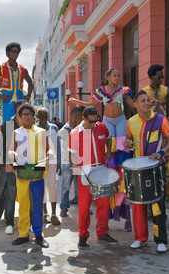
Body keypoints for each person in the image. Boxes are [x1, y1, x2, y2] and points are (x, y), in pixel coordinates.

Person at [69, 68, 134, 230]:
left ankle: (120, 165)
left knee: (122, 150)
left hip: (120, 120)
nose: (118, 77)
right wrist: (77, 102)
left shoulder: (123, 90)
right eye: (114, 75)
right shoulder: (102, 91)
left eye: (119, 75)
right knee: (109, 146)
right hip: (107, 121)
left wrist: (149, 109)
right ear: (108, 77)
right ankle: (110, 161)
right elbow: (92, 105)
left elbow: (132, 106)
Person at [123, 90, 169, 253]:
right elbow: (129, 140)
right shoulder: (131, 121)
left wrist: (161, 152)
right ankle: (140, 238)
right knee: (138, 205)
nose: (147, 103)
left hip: (155, 167)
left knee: (157, 205)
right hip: (137, 167)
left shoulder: (160, 120)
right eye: (143, 100)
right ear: (136, 104)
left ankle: (160, 239)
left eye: (148, 100)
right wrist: (127, 144)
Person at [69, 106, 118, 249]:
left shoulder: (101, 127)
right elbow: (72, 155)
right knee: (84, 206)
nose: (93, 124)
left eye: (95, 120)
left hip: (101, 169)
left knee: (103, 205)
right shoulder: (74, 133)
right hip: (85, 172)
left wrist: (109, 151)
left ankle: (102, 232)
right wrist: (76, 166)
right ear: (83, 119)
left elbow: (108, 138)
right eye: (91, 121)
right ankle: (83, 235)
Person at [9, 103, 53, 248]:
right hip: (22, 171)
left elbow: (48, 149)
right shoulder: (16, 133)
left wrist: (49, 155)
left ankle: (39, 235)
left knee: (38, 204)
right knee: (23, 204)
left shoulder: (41, 132)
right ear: (20, 118)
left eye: (29, 114)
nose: (27, 117)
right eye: (24, 115)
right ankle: (23, 234)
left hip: (37, 171)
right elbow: (11, 150)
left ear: (34, 116)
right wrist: (12, 154)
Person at [142, 64, 169, 219]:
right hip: (151, 128)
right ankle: (151, 205)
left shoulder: (165, 90)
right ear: (151, 77)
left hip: (164, 126)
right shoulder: (144, 91)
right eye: (159, 76)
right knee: (151, 166)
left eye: (162, 76)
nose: (161, 78)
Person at [0, 42, 34, 124]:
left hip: (20, 101)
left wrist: (28, 95)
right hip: (7, 100)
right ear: (7, 53)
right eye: (13, 51)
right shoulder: (1, 67)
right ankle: (9, 137)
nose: (15, 53)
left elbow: (30, 82)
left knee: (21, 123)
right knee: (8, 124)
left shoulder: (23, 69)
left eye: (17, 52)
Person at [0, 99, 27, 234]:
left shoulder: (30, 122)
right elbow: (2, 146)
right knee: (11, 194)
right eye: (21, 112)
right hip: (12, 164)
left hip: (27, 165)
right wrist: (7, 163)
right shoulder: (9, 124)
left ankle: (28, 222)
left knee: (28, 196)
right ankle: (9, 223)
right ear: (16, 112)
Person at [57, 107, 83, 217]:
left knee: (79, 185)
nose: (83, 120)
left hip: (77, 162)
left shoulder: (81, 129)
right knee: (65, 186)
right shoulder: (63, 131)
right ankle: (63, 208)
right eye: (81, 117)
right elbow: (61, 149)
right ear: (76, 117)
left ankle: (82, 204)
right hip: (67, 163)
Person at [36, 107, 60, 225]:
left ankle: (54, 214)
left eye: (45, 117)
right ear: (37, 117)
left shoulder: (54, 128)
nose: (43, 119)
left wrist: (59, 162)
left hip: (52, 162)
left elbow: (58, 145)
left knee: (52, 187)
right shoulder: (34, 129)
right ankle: (45, 213)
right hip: (39, 162)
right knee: (42, 188)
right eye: (41, 117)